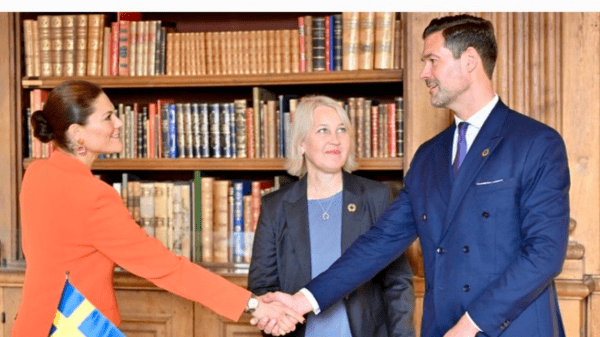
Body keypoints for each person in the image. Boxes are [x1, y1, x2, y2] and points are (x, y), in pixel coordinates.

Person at [258, 14, 570, 337]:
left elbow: (545, 254)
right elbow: (379, 243)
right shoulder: (428, 157)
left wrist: (470, 325)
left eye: (432, 61)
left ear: (470, 62)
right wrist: (301, 301)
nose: (424, 73)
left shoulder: (536, 143)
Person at [12, 80, 304, 336]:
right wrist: (251, 303)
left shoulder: (36, 175)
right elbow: (164, 268)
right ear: (78, 133)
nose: (120, 124)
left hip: (34, 324)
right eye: (109, 117)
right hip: (78, 328)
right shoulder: (93, 195)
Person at [248, 95, 415, 337]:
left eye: (341, 130)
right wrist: (274, 320)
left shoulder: (378, 197)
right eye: (323, 130)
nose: (335, 139)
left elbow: (398, 284)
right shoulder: (275, 207)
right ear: (301, 143)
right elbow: (263, 287)